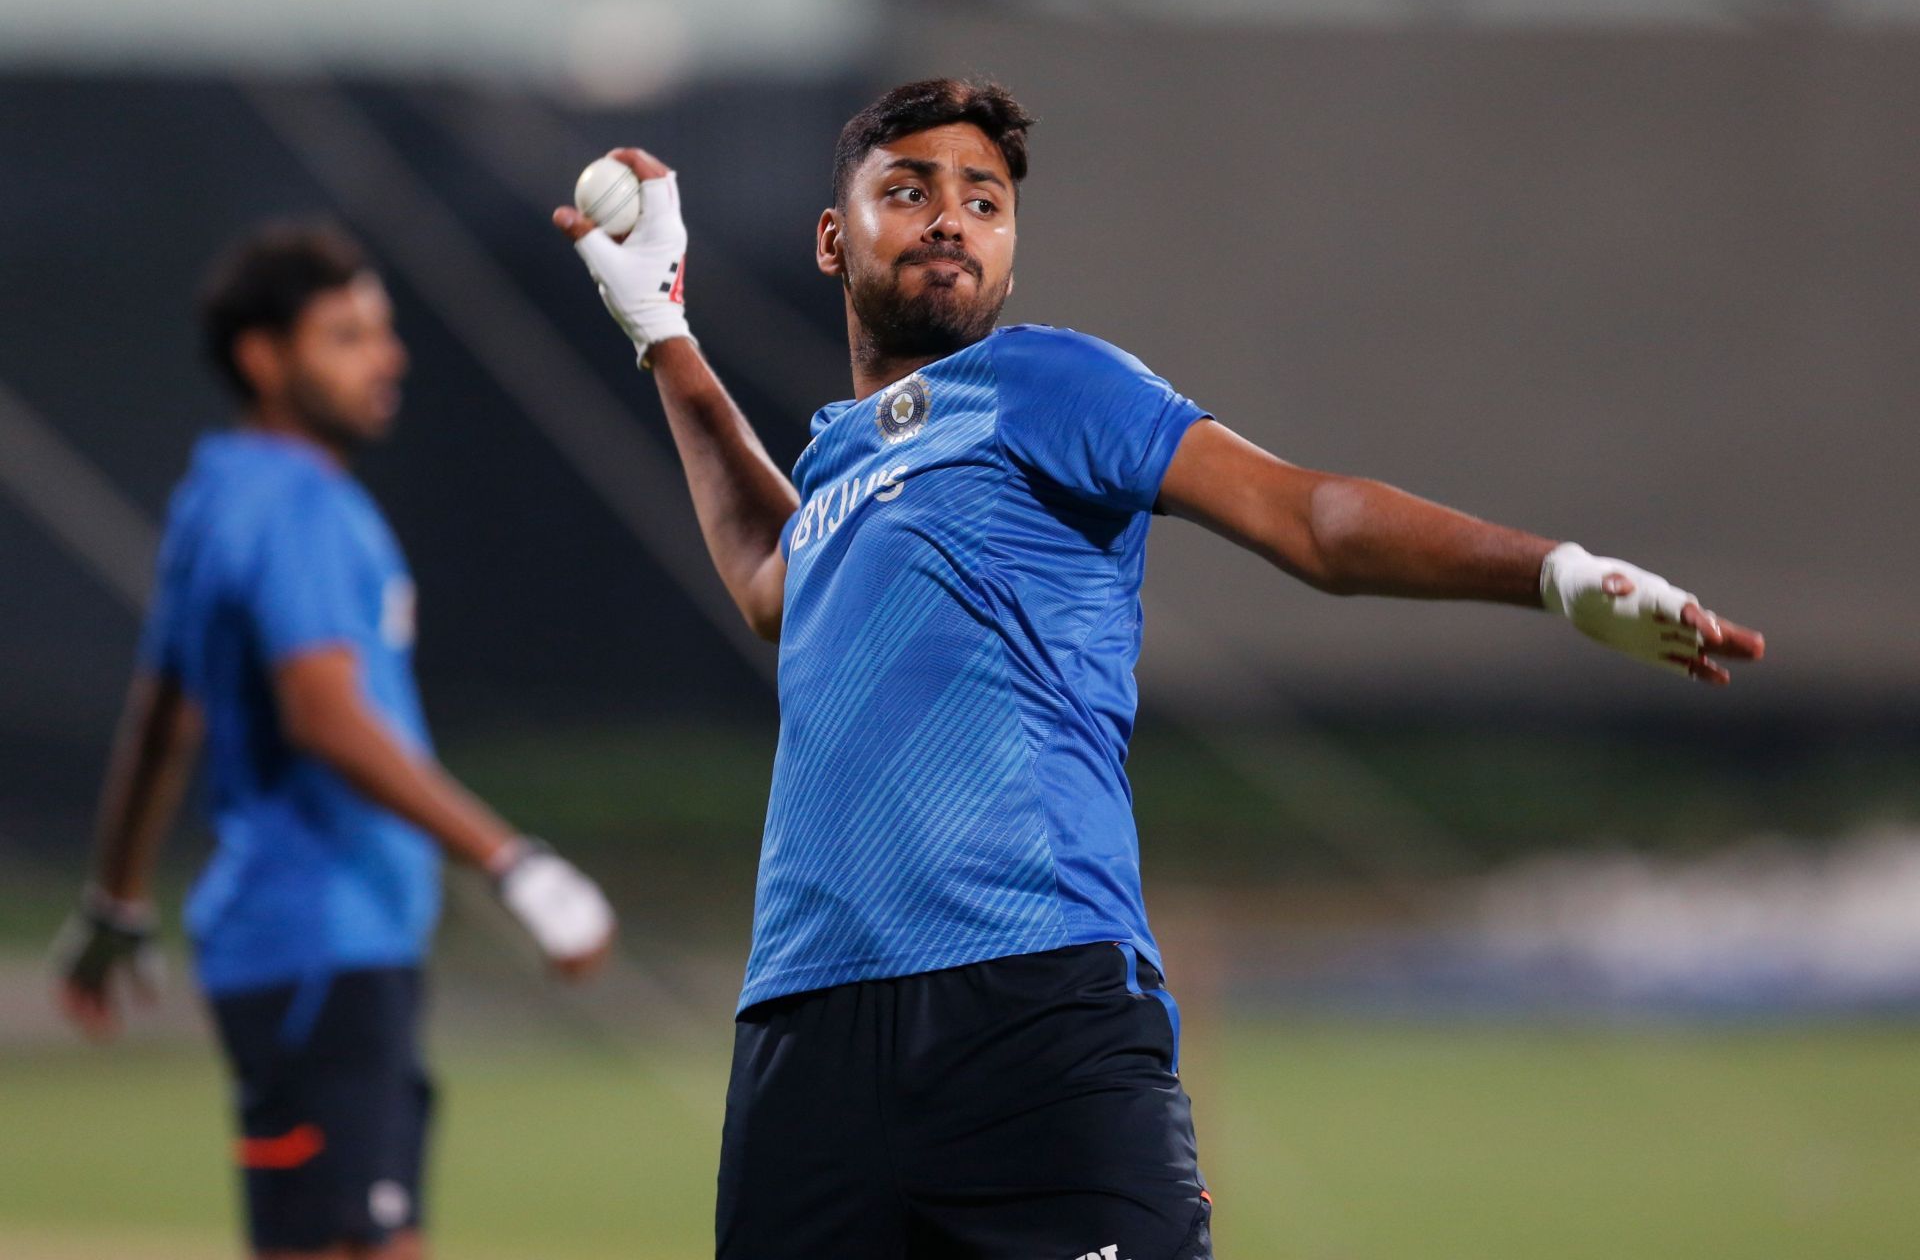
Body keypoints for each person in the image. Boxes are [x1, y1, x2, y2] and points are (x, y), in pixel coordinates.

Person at [552, 78, 1765, 1260]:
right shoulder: (836, 464)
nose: (949, 219)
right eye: (909, 190)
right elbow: (775, 575)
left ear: (1011, 251)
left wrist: (1554, 572)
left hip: (1026, 1000)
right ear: (835, 238)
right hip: (803, 1024)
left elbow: (1311, 520)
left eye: (983, 201)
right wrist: (664, 334)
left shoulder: (1047, 382)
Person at [52, 222, 618, 1260]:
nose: (386, 355)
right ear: (266, 357)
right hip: (324, 945)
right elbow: (323, 710)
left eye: (382, 330)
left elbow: (162, 717)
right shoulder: (302, 501)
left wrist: (114, 897)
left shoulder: (213, 493)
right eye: (347, 334)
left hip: (299, 951)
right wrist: (513, 858)